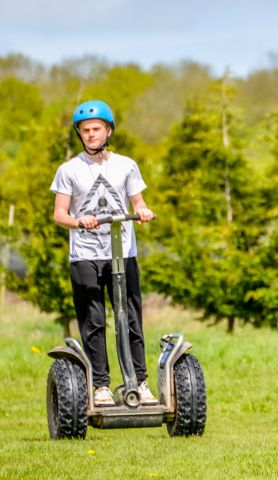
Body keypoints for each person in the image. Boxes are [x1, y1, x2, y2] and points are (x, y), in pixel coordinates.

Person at [50, 100, 157, 407]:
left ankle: (140, 382)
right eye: (85, 130)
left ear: (108, 130)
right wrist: (78, 220)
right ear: (79, 134)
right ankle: (101, 386)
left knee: (131, 317)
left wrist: (143, 210)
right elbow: (59, 214)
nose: (91, 135)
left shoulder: (126, 165)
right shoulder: (69, 169)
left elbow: (137, 201)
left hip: (122, 252)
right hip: (85, 254)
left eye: (96, 129)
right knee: (93, 320)